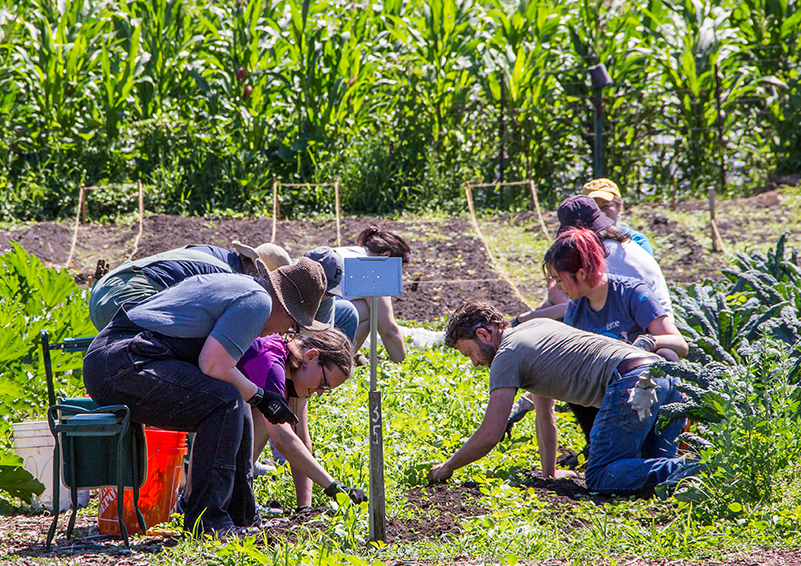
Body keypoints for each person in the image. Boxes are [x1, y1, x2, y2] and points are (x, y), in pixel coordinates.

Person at [82, 259, 328, 537]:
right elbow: (213, 365)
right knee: (225, 402)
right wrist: (261, 396)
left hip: (113, 359)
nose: (284, 332)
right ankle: (208, 522)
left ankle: (242, 516)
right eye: (293, 323)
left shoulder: (244, 289)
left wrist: (257, 398)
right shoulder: (258, 301)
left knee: (234, 399)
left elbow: (218, 368)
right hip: (120, 362)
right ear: (285, 306)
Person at [428, 301, 687, 496]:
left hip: (630, 383)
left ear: (484, 334)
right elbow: (544, 412)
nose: (474, 363)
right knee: (660, 477)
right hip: (663, 375)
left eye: (470, 353)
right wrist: (549, 473)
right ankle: (698, 470)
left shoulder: (508, 355)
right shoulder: (535, 330)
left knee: (600, 476)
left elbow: (490, 433)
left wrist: (448, 467)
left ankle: (700, 468)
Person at [238, 329, 367, 508]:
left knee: (274, 412)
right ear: (311, 356)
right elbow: (283, 439)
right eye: (323, 384)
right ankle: (230, 495)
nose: (320, 392)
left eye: (326, 390)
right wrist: (334, 487)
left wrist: (304, 507)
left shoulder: (295, 371)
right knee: (271, 413)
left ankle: (235, 493)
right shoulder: (272, 363)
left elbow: (300, 439)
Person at [512, 195, 672, 327]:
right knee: (548, 308)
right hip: (648, 318)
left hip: (648, 326)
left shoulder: (604, 255)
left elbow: (574, 306)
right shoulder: (618, 244)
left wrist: (523, 319)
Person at [89, 242, 292, 331]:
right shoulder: (230, 278)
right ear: (255, 271)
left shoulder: (214, 254)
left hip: (103, 294)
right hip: (125, 297)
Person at [334, 226, 412, 363]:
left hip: (295, 312)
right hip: (312, 321)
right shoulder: (372, 266)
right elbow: (388, 329)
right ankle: (337, 361)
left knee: (361, 307)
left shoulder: (352, 252)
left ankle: (348, 354)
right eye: (397, 271)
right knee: (371, 312)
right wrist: (403, 366)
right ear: (386, 255)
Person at [582, 178, 654, 257]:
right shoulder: (579, 244)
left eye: (605, 206)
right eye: (594, 207)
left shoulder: (637, 241)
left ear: (619, 208)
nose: (600, 212)